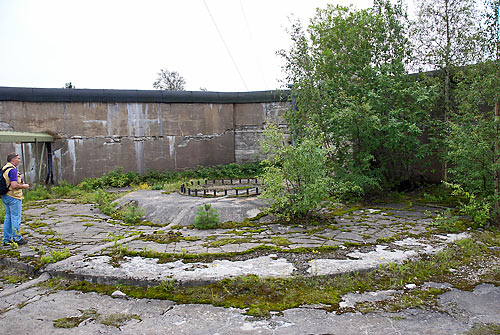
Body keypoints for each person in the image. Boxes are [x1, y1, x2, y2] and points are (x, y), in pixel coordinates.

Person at [2, 153, 30, 245]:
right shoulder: (13, 170)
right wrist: (24, 186)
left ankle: (6, 239)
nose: (19, 160)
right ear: (12, 160)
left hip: (5, 195)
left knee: (8, 217)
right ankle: (17, 238)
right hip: (13, 196)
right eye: (18, 158)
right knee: (15, 217)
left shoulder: (4, 168)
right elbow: (14, 185)